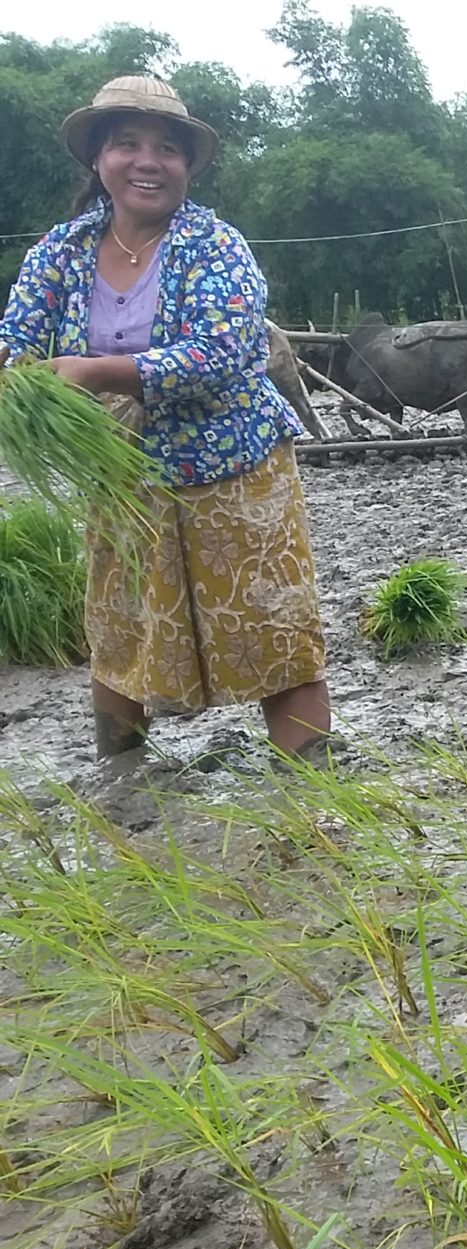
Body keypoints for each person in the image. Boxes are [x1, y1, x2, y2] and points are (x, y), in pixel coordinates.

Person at [0, 76, 332, 767]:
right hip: (120, 477)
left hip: (233, 471)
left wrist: (100, 372)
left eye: (167, 149)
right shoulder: (60, 254)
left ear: (187, 166)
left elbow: (221, 352)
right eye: (128, 144)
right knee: (120, 629)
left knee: (271, 627)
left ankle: (314, 789)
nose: (147, 161)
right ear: (98, 157)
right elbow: (21, 343)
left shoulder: (215, 246)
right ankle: (122, 780)